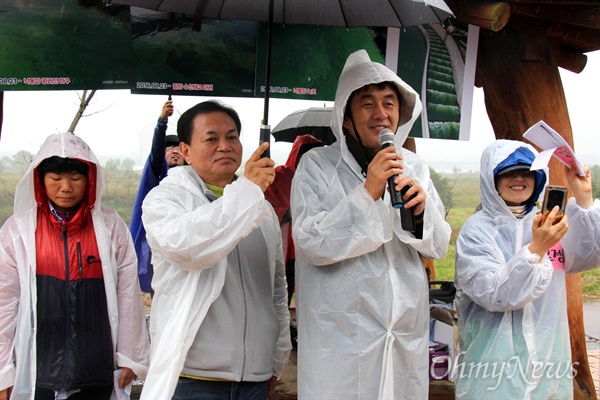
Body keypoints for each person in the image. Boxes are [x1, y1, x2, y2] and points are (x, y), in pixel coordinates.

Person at [291, 49, 452, 399]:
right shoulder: (317, 166)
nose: (381, 114)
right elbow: (311, 243)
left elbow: (438, 245)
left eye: (389, 103)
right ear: (345, 117)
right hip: (341, 342)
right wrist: (367, 193)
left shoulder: (413, 166)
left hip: (402, 337)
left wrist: (423, 213)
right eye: (367, 104)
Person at [140, 100, 292, 400]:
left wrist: (276, 359)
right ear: (185, 150)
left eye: (232, 136)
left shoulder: (261, 210)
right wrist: (247, 192)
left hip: (255, 378)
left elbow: (276, 290)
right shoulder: (164, 200)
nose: (225, 146)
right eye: (211, 138)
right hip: (193, 377)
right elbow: (190, 249)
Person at [0, 133, 149, 400]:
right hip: (36, 370)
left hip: (96, 369)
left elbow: (127, 292)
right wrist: (2, 370)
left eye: (75, 178)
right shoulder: (19, 230)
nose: (65, 187)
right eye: (55, 179)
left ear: (90, 179)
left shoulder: (110, 225)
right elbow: (4, 300)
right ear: (40, 180)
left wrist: (131, 355)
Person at [453, 139, 599, 398]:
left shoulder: (547, 223)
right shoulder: (477, 231)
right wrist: (537, 249)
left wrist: (584, 197)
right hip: (492, 370)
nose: (519, 178)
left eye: (527, 171)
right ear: (491, 179)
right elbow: (496, 294)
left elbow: (591, 251)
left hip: (548, 366)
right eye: (508, 172)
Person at [130, 98, 185, 293]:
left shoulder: (192, 179)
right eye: (169, 149)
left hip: (184, 245)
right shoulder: (157, 172)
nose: (175, 152)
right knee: (161, 293)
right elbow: (155, 150)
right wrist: (162, 122)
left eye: (178, 148)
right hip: (157, 247)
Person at [264, 134, 324, 309]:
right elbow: (263, 208)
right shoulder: (276, 177)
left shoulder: (319, 181)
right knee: (280, 292)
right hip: (284, 249)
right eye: (304, 153)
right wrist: (288, 212)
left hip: (310, 249)